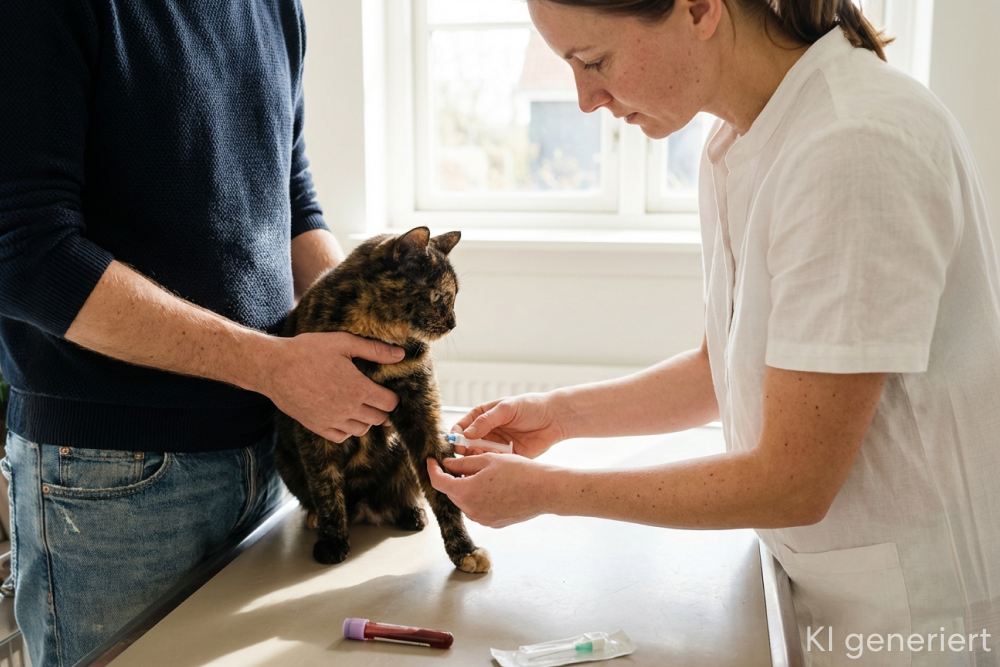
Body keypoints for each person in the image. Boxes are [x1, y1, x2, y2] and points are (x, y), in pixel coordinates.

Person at [426, 0, 1000, 664]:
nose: (585, 100)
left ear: (699, 9)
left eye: (594, 61)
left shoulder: (854, 143)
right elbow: (721, 368)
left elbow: (794, 480)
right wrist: (560, 415)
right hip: (823, 591)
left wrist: (550, 492)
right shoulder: (737, 141)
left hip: (918, 623)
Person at [0, 1, 404, 665]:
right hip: (111, 481)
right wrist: (273, 365)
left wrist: (361, 325)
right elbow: (27, 253)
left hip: (264, 449)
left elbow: (290, 191)